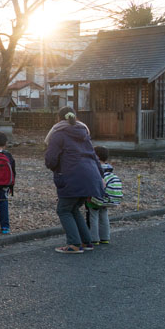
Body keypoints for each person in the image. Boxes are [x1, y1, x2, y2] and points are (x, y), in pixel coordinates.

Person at [44, 107, 104, 253]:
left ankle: (74, 244)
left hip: (71, 176)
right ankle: (86, 241)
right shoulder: (84, 133)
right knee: (74, 208)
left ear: (58, 119)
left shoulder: (58, 134)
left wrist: (54, 167)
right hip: (91, 177)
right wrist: (100, 176)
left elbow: (51, 160)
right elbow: (94, 156)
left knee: (63, 210)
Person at [87, 146, 121, 245]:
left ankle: (94, 238)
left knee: (93, 216)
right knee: (104, 215)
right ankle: (105, 237)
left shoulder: (94, 168)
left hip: (95, 197)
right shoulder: (109, 169)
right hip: (107, 197)